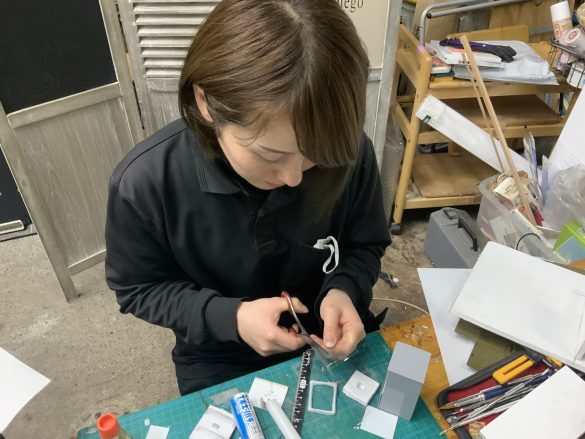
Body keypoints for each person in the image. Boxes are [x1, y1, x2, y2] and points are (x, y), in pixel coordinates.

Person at [105, 0, 391, 396]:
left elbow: (366, 243)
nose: (294, 177)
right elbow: (139, 288)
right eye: (270, 155)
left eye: (314, 156)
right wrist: (231, 317)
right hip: (220, 352)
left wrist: (345, 289)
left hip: (328, 336)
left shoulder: (348, 153)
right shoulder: (146, 184)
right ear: (206, 103)